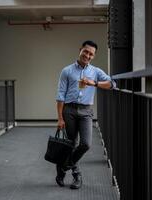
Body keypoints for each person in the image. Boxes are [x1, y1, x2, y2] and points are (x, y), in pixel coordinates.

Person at [55, 40, 115, 189]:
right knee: (71, 143)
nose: (87, 55)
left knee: (86, 144)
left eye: (91, 54)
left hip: (86, 111)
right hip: (69, 110)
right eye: (86, 51)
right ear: (80, 50)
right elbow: (60, 95)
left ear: (93, 56)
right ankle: (77, 176)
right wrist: (60, 118)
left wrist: (93, 83)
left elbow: (112, 84)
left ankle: (63, 167)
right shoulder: (67, 71)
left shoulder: (95, 72)